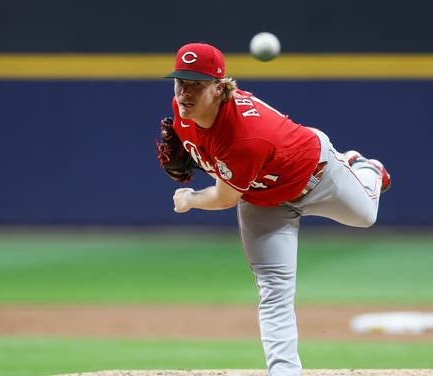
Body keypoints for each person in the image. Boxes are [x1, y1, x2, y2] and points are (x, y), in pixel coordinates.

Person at [161, 42, 390, 376]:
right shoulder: (185, 113)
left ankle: (363, 167)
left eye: (197, 84)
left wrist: (191, 198)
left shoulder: (245, 138)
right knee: (274, 290)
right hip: (263, 200)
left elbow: (225, 198)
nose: (185, 93)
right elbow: (215, 161)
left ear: (220, 87)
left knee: (366, 216)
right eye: (181, 82)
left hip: (317, 175)